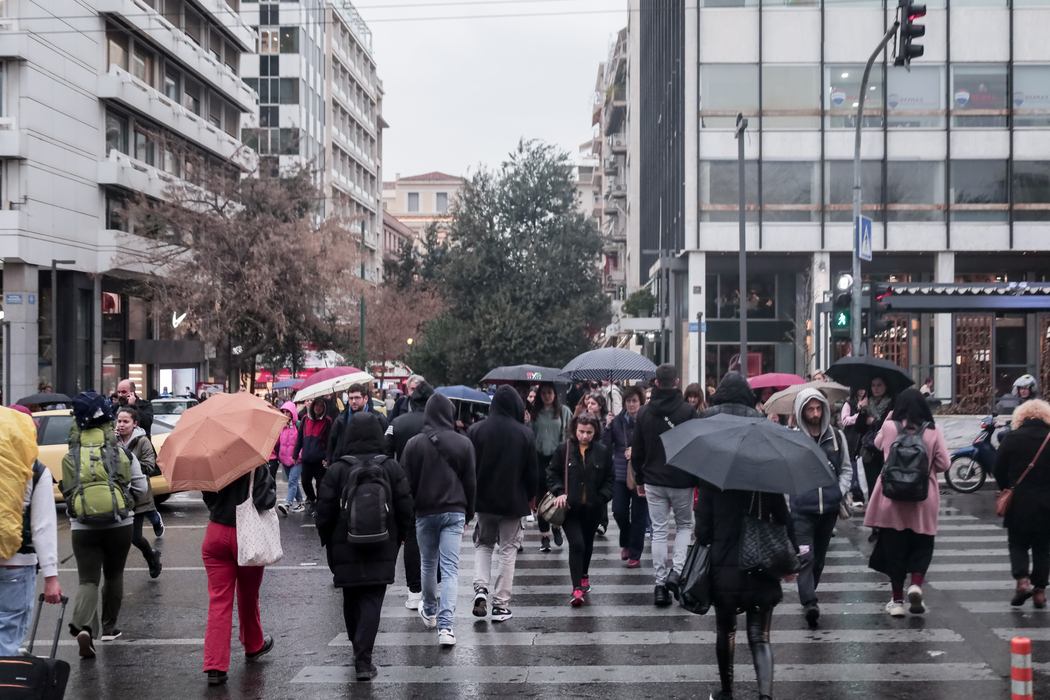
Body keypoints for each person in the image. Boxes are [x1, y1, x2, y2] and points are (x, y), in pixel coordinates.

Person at [315, 413, 413, 680]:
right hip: (382, 544)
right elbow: (405, 506)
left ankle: (358, 649)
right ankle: (363, 658)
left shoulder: (337, 469)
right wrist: (400, 536)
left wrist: (326, 539)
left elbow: (323, 511)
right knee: (372, 599)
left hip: (344, 543)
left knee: (351, 597)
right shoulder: (390, 467)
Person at [63, 391, 147, 658]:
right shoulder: (121, 453)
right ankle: (110, 628)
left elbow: (68, 493)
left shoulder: (70, 457)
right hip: (119, 525)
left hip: (82, 527)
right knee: (114, 575)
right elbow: (142, 488)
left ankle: (84, 626)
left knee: (87, 580)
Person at [697, 481, 797, 700]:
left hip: (724, 570)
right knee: (760, 636)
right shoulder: (766, 482)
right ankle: (765, 696)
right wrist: (792, 561)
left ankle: (726, 692)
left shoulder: (711, 483)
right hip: (761, 567)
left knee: (726, 630)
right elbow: (785, 522)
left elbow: (703, 533)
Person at [864, 388, 950, 617]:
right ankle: (916, 584)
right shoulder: (933, 430)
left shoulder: (890, 427)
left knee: (894, 549)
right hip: (923, 497)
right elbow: (945, 464)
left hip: (891, 498)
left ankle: (898, 601)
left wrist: (889, 419)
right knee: (923, 544)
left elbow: (879, 444)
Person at [401, 393, 476, 646]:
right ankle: (446, 627)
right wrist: (469, 514)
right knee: (451, 569)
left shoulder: (413, 444)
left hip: (424, 512)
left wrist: (409, 513)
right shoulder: (464, 443)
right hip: (455, 511)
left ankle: (430, 611)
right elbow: (470, 483)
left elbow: (405, 483)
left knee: (428, 564)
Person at [201, 463, 276, 685]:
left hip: (216, 533)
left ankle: (215, 666)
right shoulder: (253, 460)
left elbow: (208, 499)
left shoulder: (212, 461)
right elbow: (265, 500)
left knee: (218, 600)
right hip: (247, 533)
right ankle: (254, 645)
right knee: (248, 594)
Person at [467, 386, 537, 622]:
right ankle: (500, 604)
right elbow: (532, 473)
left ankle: (480, 589)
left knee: (484, 545)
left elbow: (469, 468)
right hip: (513, 501)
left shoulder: (476, 430)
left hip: (484, 500)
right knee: (508, 549)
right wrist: (530, 497)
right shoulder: (524, 433)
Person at [633, 363, 698, 606]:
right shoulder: (688, 411)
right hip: (681, 478)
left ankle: (660, 586)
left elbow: (637, 451)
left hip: (653, 479)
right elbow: (695, 448)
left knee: (658, 531)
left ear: (656, 383)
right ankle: (677, 573)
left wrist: (640, 479)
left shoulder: (644, 413)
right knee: (683, 527)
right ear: (677, 382)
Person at [0, 406, 61, 657]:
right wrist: (51, 576)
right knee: (7, 635)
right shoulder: (35, 471)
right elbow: (43, 526)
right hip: (17, 562)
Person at [789, 389, 853, 627]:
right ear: (802, 412)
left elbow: (846, 469)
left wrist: (839, 491)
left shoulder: (836, 437)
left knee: (818, 561)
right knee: (805, 556)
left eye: (818, 409)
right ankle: (809, 602)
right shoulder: (794, 439)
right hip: (801, 510)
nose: (815, 414)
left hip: (828, 509)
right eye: (810, 409)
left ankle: (808, 593)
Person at [548, 412, 614, 607]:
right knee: (576, 545)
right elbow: (552, 473)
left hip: (593, 509)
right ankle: (577, 588)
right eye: (581, 431)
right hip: (570, 508)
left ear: (595, 432)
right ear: (574, 430)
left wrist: (602, 497)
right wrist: (559, 491)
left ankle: (584, 573)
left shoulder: (602, 451)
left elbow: (610, 479)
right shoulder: (564, 450)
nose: (584, 436)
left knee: (587, 545)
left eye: (589, 432)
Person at [994, 398, 1050, 608]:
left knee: (1017, 543)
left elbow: (997, 467)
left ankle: (1022, 582)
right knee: (1043, 548)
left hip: (1018, 501)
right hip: (1047, 503)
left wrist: (1005, 487)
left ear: (1021, 416)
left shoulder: (1012, 438)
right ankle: (1039, 593)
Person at [385, 381, 435, 610]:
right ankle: (433, 587)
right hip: (436, 487)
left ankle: (414, 592)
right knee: (437, 536)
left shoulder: (396, 423)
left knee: (412, 538)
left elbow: (385, 455)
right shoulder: (440, 425)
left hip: (405, 486)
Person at [115, 407, 164, 579]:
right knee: (117, 538)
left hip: (138, 497)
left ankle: (151, 556)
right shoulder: (112, 440)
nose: (121, 425)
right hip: (118, 497)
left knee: (135, 538)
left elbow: (150, 467)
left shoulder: (142, 441)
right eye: (119, 421)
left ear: (135, 424)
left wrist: (127, 458)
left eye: (126, 421)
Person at [531, 382, 572, 553]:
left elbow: (571, 433)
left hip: (558, 458)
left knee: (557, 494)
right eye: (544, 393)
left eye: (550, 392)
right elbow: (529, 434)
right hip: (539, 457)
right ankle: (544, 535)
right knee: (541, 496)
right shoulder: (534, 413)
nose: (547, 396)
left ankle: (556, 526)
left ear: (555, 394)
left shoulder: (564, 411)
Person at [609, 385, 647, 567]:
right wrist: (606, 427)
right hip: (620, 474)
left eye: (634, 401)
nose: (631, 404)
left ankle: (635, 553)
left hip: (641, 475)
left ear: (641, 402)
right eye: (628, 401)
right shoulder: (616, 421)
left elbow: (654, 446)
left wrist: (637, 451)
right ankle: (626, 540)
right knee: (618, 511)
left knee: (639, 516)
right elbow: (605, 445)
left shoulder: (647, 421)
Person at [328, 383, 389, 465]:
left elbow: (387, 442)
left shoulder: (378, 418)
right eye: (351, 398)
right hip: (347, 463)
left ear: (365, 398)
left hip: (372, 464)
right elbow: (332, 442)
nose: (353, 401)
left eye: (357, 398)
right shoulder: (341, 419)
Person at [858, 376, 894, 512]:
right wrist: (862, 410)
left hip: (884, 452)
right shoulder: (866, 404)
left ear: (885, 387)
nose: (876, 388)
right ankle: (875, 526)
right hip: (868, 453)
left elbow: (888, 426)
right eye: (873, 385)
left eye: (879, 385)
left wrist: (873, 421)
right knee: (873, 490)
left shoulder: (891, 404)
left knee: (885, 489)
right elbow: (859, 427)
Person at [294, 398, 332, 517]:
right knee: (305, 482)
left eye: (320, 405)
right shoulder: (305, 419)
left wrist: (328, 458)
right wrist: (295, 454)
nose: (318, 408)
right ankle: (313, 501)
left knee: (320, 484)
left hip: (320, 460)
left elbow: (330, 441)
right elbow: (300, 439)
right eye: (316, 405)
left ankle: (319, 506)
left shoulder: (327, 421)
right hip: (306, 459)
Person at [273, 402, 304, 515]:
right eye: (283, 412)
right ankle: (300, 502)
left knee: (292, 481)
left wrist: (299, 456)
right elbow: (276, 441)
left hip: (297, 460)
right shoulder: (281, 426)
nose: (285, 414)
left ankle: (287, 504)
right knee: (293, 482)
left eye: (287, 412)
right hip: (284, 459)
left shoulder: (299, 425)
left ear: (292, 413)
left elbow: (303, 442)